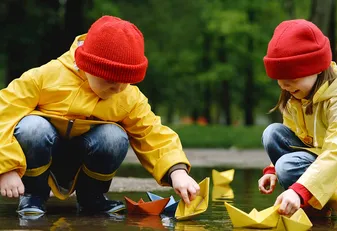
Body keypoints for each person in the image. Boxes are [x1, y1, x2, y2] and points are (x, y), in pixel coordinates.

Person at [0, 15, 200, 215]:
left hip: (85, 160)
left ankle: (92, 198)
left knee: (114, 136)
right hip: (39, 158)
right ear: (86, 65)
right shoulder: (45, 77)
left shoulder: (127, 97)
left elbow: (152, 133)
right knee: (32, 127)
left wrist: (177, 172)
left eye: (126, 81)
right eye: (109, 80)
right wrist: (7, 168)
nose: (117, 88)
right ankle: (33, 195)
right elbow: (4, 115)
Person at [258, 19, 337, 224]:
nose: (284, 85)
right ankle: (315, 205)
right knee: (273, 134)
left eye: (292, 77)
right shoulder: (296, 96)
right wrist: (272, 170)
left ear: (317, 68)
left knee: (288, 167)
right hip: (319, 157)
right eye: (279, 79)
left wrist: (298, 191)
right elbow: (293, 135)